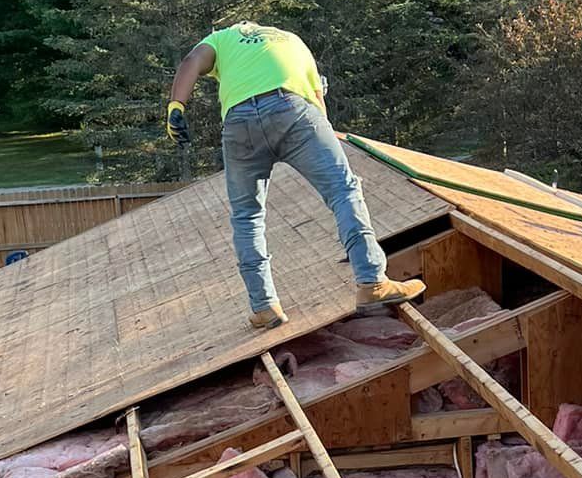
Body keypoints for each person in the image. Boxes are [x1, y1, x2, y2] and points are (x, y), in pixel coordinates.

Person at [168, 20, 426, 330]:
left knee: (247, 216)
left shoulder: (221, 39)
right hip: (293, 108)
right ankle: (371, 283)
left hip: (239, 123)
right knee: (343, 191)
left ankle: (264, 306)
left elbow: (190, 62)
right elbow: (318, 101)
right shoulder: (293, 41)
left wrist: (176, 106)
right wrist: (327, 139)